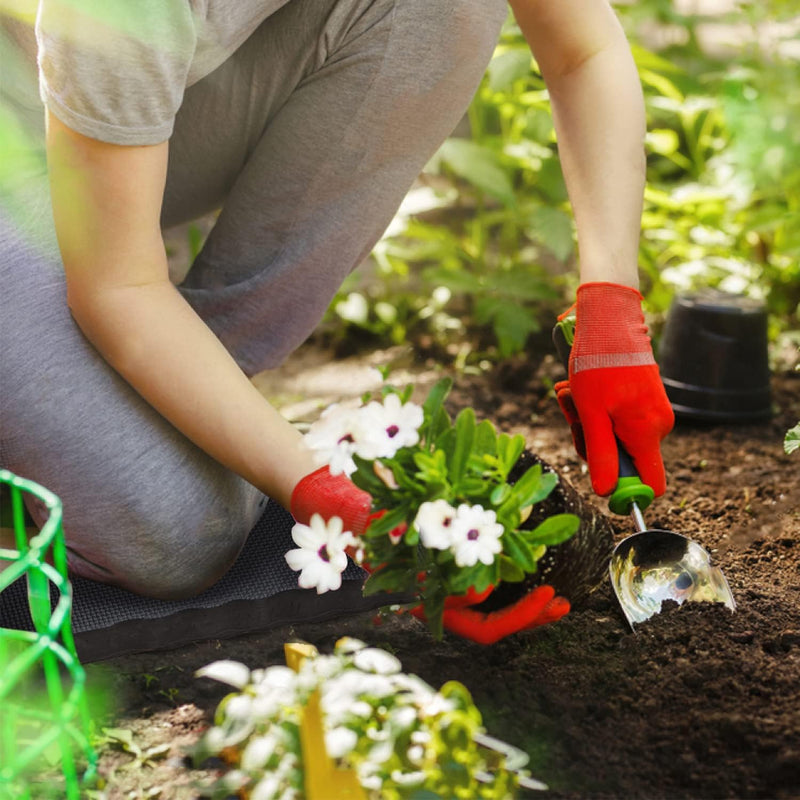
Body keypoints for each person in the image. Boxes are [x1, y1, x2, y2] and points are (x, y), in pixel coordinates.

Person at [0, 0, 674, 640]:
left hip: (101, 117)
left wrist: (611, 307)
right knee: (180, 534)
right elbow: (119, 288)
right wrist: (314, 487)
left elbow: (584, 49)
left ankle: (161, 411)